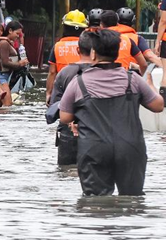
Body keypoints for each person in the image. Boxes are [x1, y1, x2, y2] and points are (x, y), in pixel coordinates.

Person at [59, 29, 164, 196]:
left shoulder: (78, 83)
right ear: (116, 53)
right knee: (132, 200)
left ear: (93, 53)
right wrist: (150, 84)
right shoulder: (133, 80)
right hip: (130, 149)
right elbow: (158, 106)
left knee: (96, 203)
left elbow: (64, 117)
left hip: (94, 150)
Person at [46, 31, 94, 166]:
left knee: (66, 173)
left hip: (68, 133)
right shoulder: (103, 74)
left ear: (78, 49)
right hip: (96, 133)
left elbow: (55, 107)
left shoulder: (64, 73)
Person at [45, 10, 88, 105]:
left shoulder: (57, 46)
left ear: (65, 27)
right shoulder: (88, 46)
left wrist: (48, 93)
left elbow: (52, 72)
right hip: (84, 89)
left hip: (63, 90)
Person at [0, 21, 28, 107]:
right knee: (8, 105)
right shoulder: (4, 43)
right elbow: (5, 62)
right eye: (17, 33)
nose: (18, 36)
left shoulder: (6, 42)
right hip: (1, 77)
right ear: (10, 30)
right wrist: (20, 64)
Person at [100, 10, 147, 74]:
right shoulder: (128, 40)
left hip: (102, 79)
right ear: (117, 23)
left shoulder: (95, 40)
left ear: (101, 25)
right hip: (124, 78)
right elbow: (144, 64)